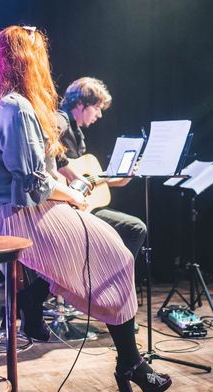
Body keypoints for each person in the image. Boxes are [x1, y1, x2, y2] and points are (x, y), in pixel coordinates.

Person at [0, 26, 171, 392]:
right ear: (31, 62)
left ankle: (39, 299)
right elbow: (34, 184)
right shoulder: (17, 107)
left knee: (110, 247)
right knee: (117, 255)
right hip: (17, 216)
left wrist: (68, 193)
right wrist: (73, 196)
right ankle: (129, 361)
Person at [56, 77, 146, 261]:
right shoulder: (60, 120)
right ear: (80, 103)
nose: (99, 115)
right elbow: (47, 150)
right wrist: (72, 176)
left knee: (134, 227)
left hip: (79, 206)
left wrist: (122, 178)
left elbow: (86, 181)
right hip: (62, 208)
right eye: (96, 107)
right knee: (136, 228)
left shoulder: (78, 135)